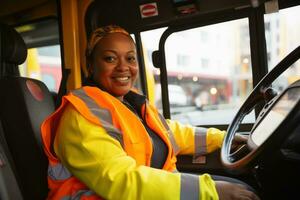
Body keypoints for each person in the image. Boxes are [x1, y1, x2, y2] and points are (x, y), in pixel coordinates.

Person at [41, 25, 259, 200]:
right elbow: (122, 181)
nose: (123, 67)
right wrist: (209, 191)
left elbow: (172, 132)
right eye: (110, 58)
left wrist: (224, 139)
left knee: (241, 187)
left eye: (130, 58)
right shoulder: (80, 116)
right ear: (90, 65)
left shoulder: (130, 103)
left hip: (147, 190)